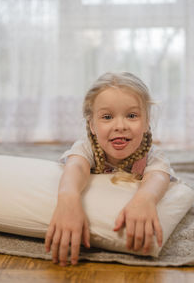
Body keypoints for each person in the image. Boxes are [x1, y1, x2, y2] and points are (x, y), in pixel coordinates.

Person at [45, 72, 172, 267]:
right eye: (107, 117)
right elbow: (76, 166)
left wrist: (145, 199)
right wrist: (68, 198)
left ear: (147, 122)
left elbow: (159, 176)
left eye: (131, 115)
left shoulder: (152, 154)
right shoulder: (87, 147)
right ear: (92, 126)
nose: (120, 126)